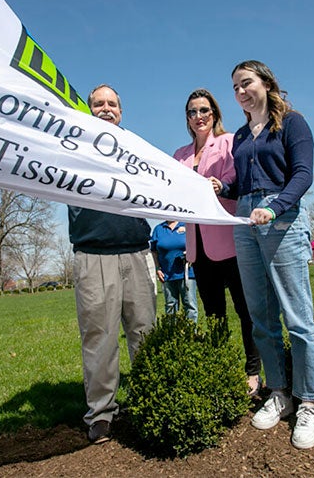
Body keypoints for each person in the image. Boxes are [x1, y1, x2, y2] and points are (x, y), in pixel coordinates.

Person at [218, 60, 314, 450]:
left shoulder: (292, 123)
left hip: (280, 221)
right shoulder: (241, 136)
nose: (240, 92)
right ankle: (278, 391)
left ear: (265, 83)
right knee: (260, 316)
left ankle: (310, 401)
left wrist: (276, 206)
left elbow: (302, 174)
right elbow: (242, 182)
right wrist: (224, 185)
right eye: (234, 87)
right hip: (246, 223)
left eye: (246, 83)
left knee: (297, 317)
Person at [68, 84, 157, 444]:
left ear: (121, 110)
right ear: (88, 110)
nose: (106, 108)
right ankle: (102, 413)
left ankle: (153, 398)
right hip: (93, 254)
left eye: (112, 104)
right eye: (98, 104)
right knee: (99, 339)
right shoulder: (71, 146)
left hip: (137, 252)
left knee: (145, 333)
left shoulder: (137, 148)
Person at [173, 88, 262, 396]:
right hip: (198, 246)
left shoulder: (228, 143)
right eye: (192, 112)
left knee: (244, 309)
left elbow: (237, 181)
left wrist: (221, 185)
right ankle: (223, 367)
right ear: (187, 118)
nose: (199, 117)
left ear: (215, 114)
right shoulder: (180, 155)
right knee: (213, 313)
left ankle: (253, 371)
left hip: (229, 241)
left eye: (204, 111)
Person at [149, 220, 198, 323]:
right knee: (171, 305)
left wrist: (191, 256)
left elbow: (196, 244)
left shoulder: (186, 224)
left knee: (190, 304)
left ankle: (191, 334)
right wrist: (158, 268)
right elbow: (154, 251)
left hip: (186, 272)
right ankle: (172, 334)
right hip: (167, 274)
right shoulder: (159, 229)